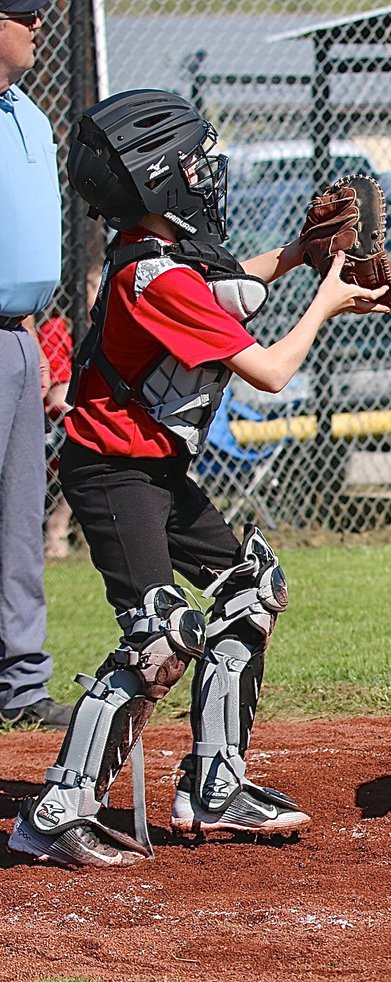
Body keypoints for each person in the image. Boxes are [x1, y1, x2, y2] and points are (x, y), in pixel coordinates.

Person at [9, 88, 390, 869]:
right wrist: (326, 300)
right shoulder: (153, 277)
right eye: (191, 165)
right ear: (157, 178)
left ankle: (215, 786)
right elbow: (271, 371)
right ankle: (55, 814)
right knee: (161, 636)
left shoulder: (158, 255)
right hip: (111, 471)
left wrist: (298, 254)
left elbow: (228, 289)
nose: (205, 176)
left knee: (250, 590)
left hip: (154, 468)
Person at [0, 0, 72, 731]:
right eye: (23, 13)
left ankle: (21, 684)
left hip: (19, 338)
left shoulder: (29, 115)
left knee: (21, 518)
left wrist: (34, 342)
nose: (38, 24)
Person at [38, 266, 101, 560]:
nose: (101, 295)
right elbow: (56, 396)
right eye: (94, 289)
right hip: (53, 430)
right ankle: (58, 525)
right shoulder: (57, 327)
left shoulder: (110, 331)